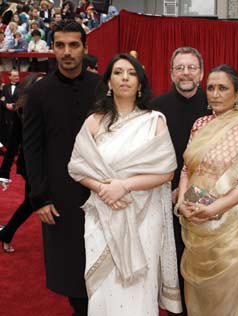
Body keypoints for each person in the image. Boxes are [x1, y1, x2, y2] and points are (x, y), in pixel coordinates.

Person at [68, 53, 182, 315]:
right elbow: (76, 167)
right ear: (108, 82)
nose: (125, 78)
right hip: (103, 213)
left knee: (141, 288)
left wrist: (125, 185)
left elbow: (167, 171)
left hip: (145, 216)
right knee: (104, 288)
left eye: (131, 73)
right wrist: (103, 189)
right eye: (118, 73)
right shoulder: (94, 122)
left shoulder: (154, 120)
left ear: (140, 84)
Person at [175, 64, 238, 316]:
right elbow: (187, 169)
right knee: (197, 289)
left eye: (223, 88)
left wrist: (214, 209)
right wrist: (183, 203)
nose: (215, 94)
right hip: (194, 217)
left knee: (227, 288)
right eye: (211, 88)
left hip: (228, 221)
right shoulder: (200, 124)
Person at [23, 20, 101, 316]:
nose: (67, 52)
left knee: (103, 261)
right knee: (71, 267)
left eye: (73, 45)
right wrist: (40, 197)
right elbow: (32, 148)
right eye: (60, 45)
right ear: (52, 48)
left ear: (85, 48)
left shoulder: (101, 88)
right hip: (60, 196)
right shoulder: (40, 93)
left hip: (103, 192)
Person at [149, 46, 208, 316]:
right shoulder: (156, 108)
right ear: (172, 74)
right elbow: (149, 155)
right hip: (166, 196)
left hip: (208, 199)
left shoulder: (215, 104)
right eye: (180, 68)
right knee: (173, 258)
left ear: (202, 72)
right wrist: (171, 189)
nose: (186, 73)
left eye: (191, 67)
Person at [0, 73, 43, 253]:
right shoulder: (22, 110)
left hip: (48, 164)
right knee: (33, 201)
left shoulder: (51, 107)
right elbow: (13, 143)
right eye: (40, 85)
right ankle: (7, 233)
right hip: (31, 165)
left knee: (32, 201)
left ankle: (6, 233)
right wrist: (4, 171)